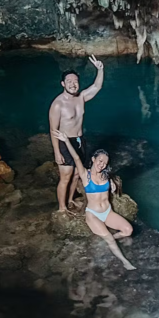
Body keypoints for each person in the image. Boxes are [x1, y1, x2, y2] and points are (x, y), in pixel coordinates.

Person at [54, 130, 136, 270]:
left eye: (105, 162)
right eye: (100, 161)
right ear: (93, 159)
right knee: (109, 238)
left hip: (108, 212)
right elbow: (77, 158)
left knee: (128, 230)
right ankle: (124, 261)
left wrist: (113, 185)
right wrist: (66, 141)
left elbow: (114, 180)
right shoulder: (85, 175)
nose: (102, 164)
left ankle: (109, 239)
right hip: (93, 215)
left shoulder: (105, 176)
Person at [49, 56, 105, 213]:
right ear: (63, 84)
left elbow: (97, 87)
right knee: (65, 177)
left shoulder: (81, 97)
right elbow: (53, 130)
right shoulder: (58, 104)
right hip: (64, 142)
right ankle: (62, 208)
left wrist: (100, 69)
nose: (73, 85)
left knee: (76, 175)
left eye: (75, 82)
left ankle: (71, 199)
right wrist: (57, 152)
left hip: (80, 141)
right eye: (69, 82)